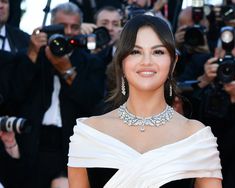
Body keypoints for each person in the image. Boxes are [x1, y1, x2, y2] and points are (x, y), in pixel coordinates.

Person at [68, 15, 222, 188]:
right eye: (135, 51)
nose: (147, 61)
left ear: (173, 62)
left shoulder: (196, 137)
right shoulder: (89, 133)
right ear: (121, 61)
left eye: (158, 52)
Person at [11, 2, 105, 188]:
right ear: (49, 28)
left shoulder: (91, 62)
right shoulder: (31, 56)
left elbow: (92, 103)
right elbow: (14, 95)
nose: (69, 32)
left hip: (70, 149)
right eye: (62, 27)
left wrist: (67, 70)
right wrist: (32, 54)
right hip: (31, 144)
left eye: (75, 27)